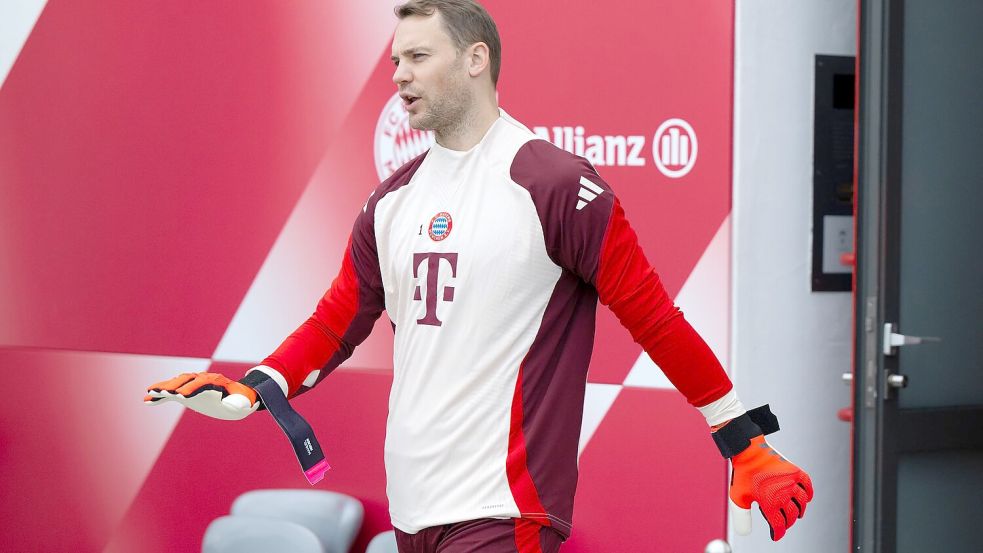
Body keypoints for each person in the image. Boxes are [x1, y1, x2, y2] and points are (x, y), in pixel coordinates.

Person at [145, 1, 814, 551]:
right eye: (395, 61)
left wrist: (741, 438)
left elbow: (656, 320)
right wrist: (254, 389)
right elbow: (334, 321)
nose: (400, 75)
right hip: (414, 507)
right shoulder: (390, 202)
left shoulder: (555, 185)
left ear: (475, 59)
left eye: (418, 57)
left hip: (504, 508)